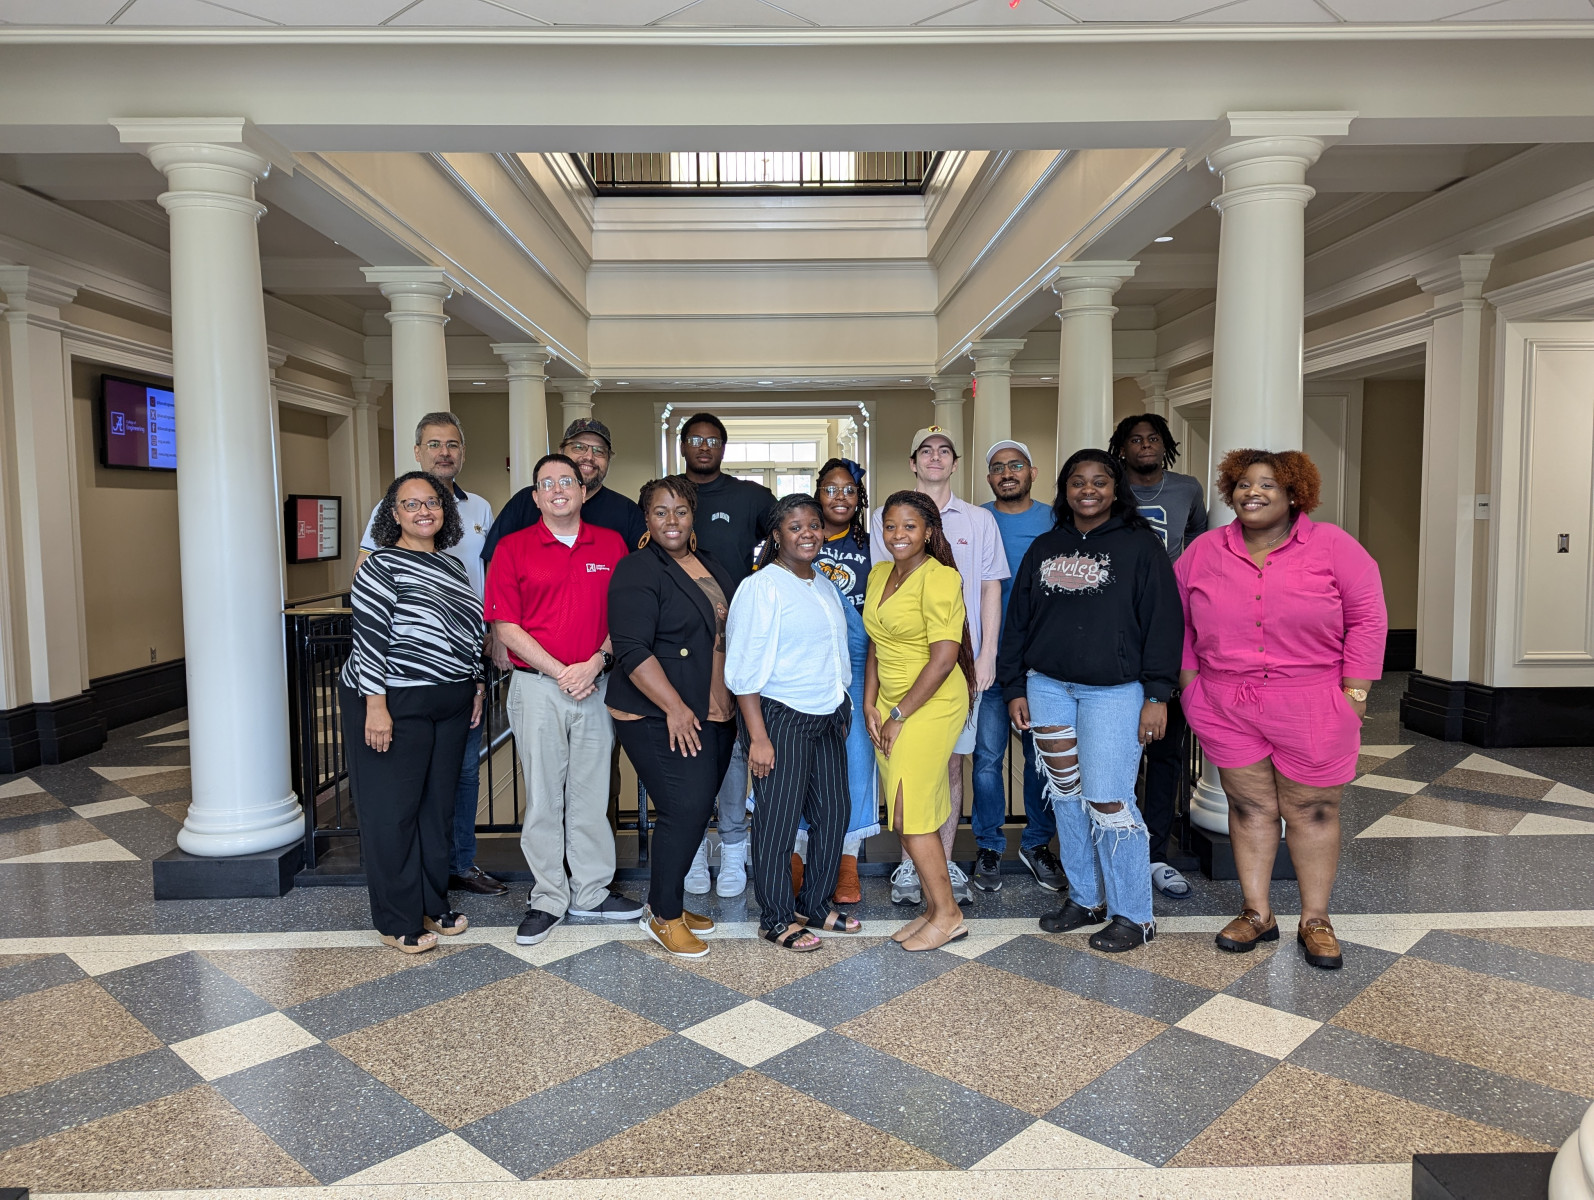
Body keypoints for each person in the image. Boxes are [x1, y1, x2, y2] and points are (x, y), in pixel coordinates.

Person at [1176, 449, 1387, 971]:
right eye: (1244, 484)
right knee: (1248, 809)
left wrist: (1355, 695)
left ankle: (1315, 919)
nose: (1254, 492)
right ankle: (1257, 912)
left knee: (1312, 810)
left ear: (1295, 494)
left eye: (1268, 485)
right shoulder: (1204, 550)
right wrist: (1189, 687)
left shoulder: (1335, 547)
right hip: (1227, 700)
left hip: (1312, 700)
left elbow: (1367, 618)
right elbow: (1176, 621)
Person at [999, 449, 1182, 953]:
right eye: (1077, 481)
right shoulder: (1044, 546)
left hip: (1116, 693)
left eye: (1099, 481)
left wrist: (1157, 695)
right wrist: (1015, 686)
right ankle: (1085, 897)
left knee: (1109, 798)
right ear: (1065, 489)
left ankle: (1134, 914)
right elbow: (1018, 622)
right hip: (1048, 687)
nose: (1088, 490)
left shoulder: (1141, 547)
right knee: (1065, 797)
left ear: (1115, 488)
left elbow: (1165, 624)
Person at [485, 453, 644, 947]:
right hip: (538, 689)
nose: (557, 488)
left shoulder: (612, 544)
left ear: (581, 490)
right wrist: (561, 672)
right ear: (535, 496)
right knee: (544, 798)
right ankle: (549, 897)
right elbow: (505, 626)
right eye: (546, 483)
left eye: (566, 481)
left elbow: (628, 617)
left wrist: (595, 663)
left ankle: (592, 891)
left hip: (597, 686)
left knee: (592, 795)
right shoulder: (513, 548)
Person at [356, 412, 503, 898]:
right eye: (434, 444)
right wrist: (376, 700)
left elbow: (486, 576)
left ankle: (457, 863)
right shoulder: (394, 511)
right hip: (407, 677)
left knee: (460, 776)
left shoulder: (478, 507)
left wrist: (479, 668)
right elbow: (370, 593)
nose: (445, 452)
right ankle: (413, 883)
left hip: (462, 668)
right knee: (408, 787)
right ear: (418, 451)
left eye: (453, 444)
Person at [340, 472, 485, 954]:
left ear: (444, 511)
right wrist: (375, 707)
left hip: (450, 700)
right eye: (410, 504)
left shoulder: (453, 567)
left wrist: (477, 685)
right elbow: (368, 640)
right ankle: (397, 918)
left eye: (432, 503)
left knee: (435, 810)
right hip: (393, 703)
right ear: (393, 514)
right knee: (392, 813)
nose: (424, 511)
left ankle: (431, 901)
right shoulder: (379, 566)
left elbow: (468, 635)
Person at [870, 425, 1006, 907]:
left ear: (954, 461)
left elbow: (990, 587)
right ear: (912, 461)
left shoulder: (977, 521)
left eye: (943, 450)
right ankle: (914, 868)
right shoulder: (883, 535)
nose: (934, 457)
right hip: (896, 681)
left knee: (950, 765)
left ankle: (941, 866)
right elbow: (882, 613)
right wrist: (875, 700)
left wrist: (986, 654)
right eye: (924, 450)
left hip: (949, 673)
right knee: (908, 781)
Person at [606, 476, 738, 959]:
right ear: (646, 519)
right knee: (683, 810)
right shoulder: (636, 570)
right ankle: (662, 915)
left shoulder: (712, 565)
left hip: (714, 710)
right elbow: (632, 648)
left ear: (693, 515)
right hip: (660, 713)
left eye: (680, 510)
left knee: (693, 810)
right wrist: (676, 708)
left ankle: (672, 902)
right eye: (660, 512)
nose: (671, 521)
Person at [728, 494, 862, 953]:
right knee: (778, 823)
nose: (807, 533)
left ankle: (815, 903)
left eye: (813, 525)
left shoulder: (823, 584)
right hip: (780, 717)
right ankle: (776, 917)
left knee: (835, 813)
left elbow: (834, 651)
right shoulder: (761, 586)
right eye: (795, 526)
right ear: (776, 535)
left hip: (827, 714)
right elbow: (742, 669)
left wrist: (841, 702)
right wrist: (758, 737)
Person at [866, 491, 974, 951]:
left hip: (929, 704)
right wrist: (872, 704)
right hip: (888, 704)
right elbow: (874, 643)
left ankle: (948, 915)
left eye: (909, 526)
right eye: (890, 526)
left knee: (912, 812)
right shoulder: (878, 574)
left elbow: (945, 657)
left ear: (929, 531)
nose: (898, 535)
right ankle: (933, 909)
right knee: (907, 809)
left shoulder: (942, 578)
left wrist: (897, 714)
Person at [677, 413, 778, 899]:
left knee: (735, 746)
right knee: (685, 742)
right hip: (675, 643)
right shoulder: (669, 495)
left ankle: (734, 845)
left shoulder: (750, 497)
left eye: (712, 440)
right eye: (695, 439)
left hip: (737, 639)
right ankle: (693, 846)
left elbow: (785, 538)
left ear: (723, 446)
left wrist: (760, 584)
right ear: (682, 445)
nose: (703, 446)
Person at [1110, 413, 1209, 901]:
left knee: (1168, 747)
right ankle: (1115, 848)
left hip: (1174, 627)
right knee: (1115, 750)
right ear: (1121, 448)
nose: (1145, 446)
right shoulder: (1111, 488)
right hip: (1120, 626)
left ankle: (1155, 852)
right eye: (1135, 440)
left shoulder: (1188, 489)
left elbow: (1199, 546)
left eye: (1153, 439)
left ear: (1166, 446)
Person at [972, 439, 1064, 895]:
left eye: (1016, 465)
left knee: (1039, 759)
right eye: (998, 467)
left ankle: (1035, 844)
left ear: (1032, 472)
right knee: (987, 760)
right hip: (988, 660)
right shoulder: (977, 521)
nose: (1007, 473)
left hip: (1038, 663)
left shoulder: (1055, 519)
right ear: (989, 478)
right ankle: (988, 845)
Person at [792, 458, 875, 906]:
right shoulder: (800, 537)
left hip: (861, 663)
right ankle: (799, 855)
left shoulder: (873, 544)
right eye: (830, 489)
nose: (839, 497)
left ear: (859, 498)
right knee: (803, 763)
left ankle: (846, 860)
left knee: (856, 763)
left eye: (848, 490)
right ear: (817, 493)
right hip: (809, 663)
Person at [482, 417, 646, 564]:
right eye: (579, 447)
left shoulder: (627, 512)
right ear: (561, 452)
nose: (589, 456)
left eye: (599, 451)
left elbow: (643, 569)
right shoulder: (525, 501)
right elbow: (495, 561)